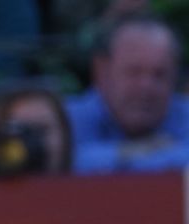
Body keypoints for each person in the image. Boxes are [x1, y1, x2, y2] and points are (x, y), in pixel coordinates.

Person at [65, 16, 189, 174]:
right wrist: (133, 150)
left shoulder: (184, 115)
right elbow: (63, 161)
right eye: (134, 72)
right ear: (101, 71)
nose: (146, 87)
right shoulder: (67, 119)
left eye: (159, 74)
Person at [0, 85, 73, 176]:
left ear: (64, 134)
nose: (32, 141)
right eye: (19, 130)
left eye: (41, 130)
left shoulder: (89, 177)